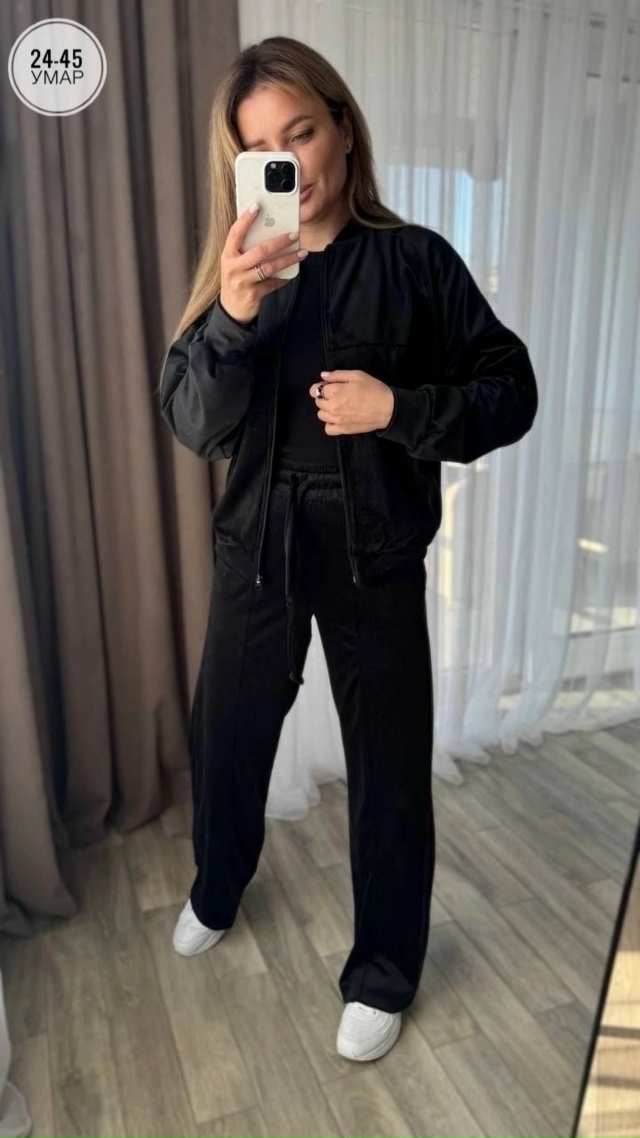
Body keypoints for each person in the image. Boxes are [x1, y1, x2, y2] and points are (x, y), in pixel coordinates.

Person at [157, 35, 538, 1063]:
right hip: (258, 550)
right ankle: (217, 886)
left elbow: (511, 391)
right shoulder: (241, 272)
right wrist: (235, 316)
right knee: (228, 737)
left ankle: (383, 972)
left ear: (342, 129)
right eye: (262, 150)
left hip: (376, 553)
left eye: (303, 132)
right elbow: (192, 422)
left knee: (388, 768)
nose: (291, 162)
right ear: (241, 168)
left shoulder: (416, 261)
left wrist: (399, 409)